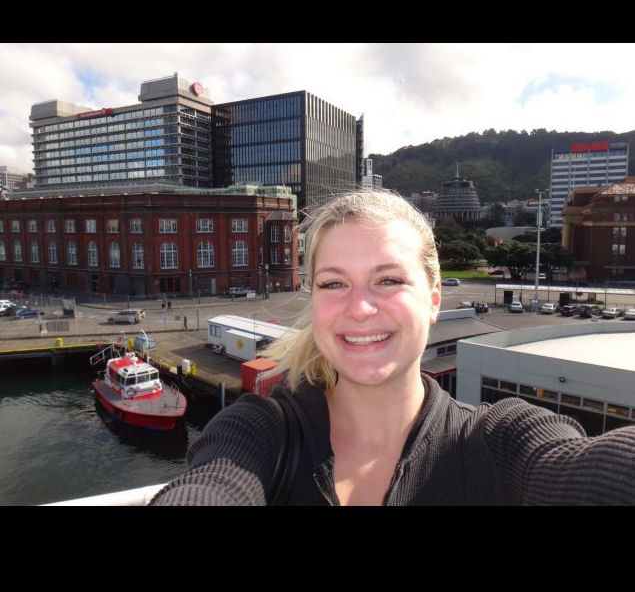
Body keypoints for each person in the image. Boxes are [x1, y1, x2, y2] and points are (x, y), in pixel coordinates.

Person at [150, 190, 635, 506]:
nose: (360, 308)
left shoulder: (498, 439)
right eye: (334, 283)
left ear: (434, 298)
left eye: (388, 280)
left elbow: (581, 471)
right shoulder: (259, 432)